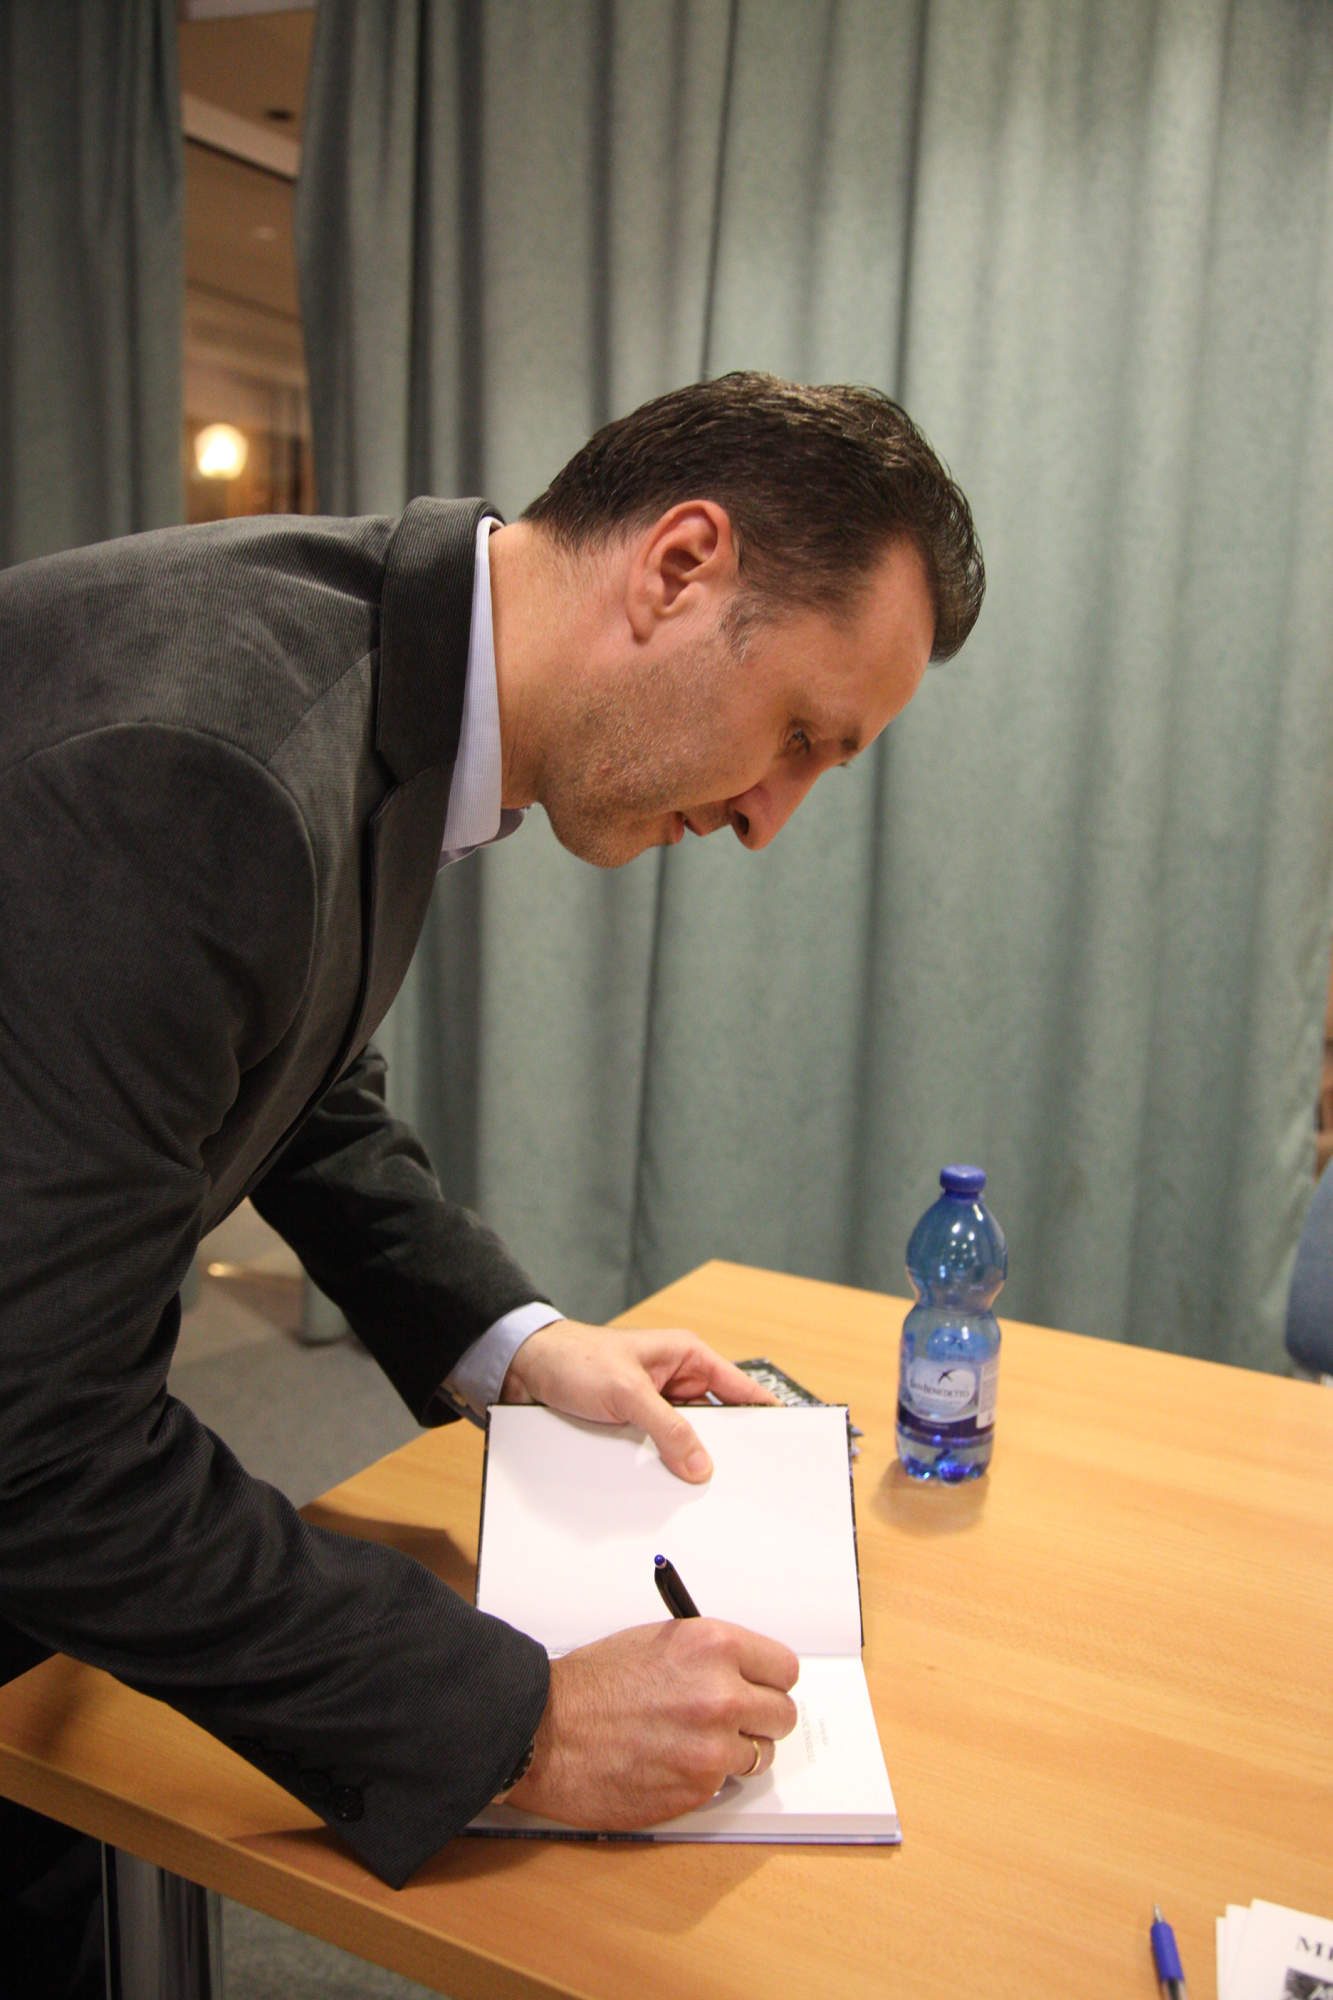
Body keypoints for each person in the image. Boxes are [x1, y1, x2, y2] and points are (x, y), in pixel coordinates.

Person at [0, 373, 983, 1918]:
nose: (768, 818)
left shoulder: (374, 680)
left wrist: (514, 1343)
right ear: (678, 567)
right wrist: (529, 1724)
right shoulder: (207, 763)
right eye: (796, 734)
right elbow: (35, 1442)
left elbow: (294, 1077)